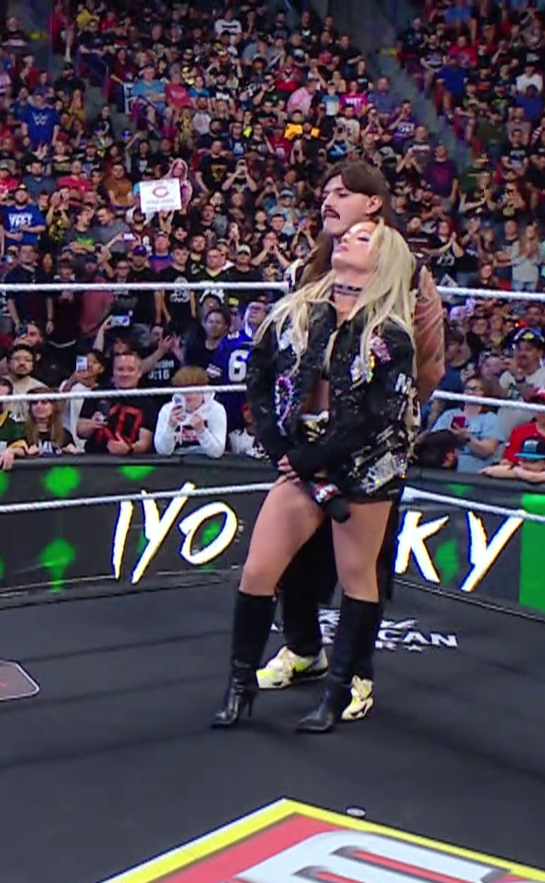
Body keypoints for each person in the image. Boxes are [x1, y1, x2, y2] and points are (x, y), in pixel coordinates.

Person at [258, 163, 448, 715]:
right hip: (309, 436)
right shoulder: (311, 268)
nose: (328, 201)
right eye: (325, 193)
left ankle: (357, 675)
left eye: (342, 193)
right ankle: (303, 648)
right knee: (295, 551)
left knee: (364, 563)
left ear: (373, 204)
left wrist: (386, 414)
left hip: (371, 443)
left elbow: (429, 363)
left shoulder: (408, 274)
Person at [219, 220, 418, 734]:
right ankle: (238, 686)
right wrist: (278, 442)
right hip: (301, 453)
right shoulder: (299, 312)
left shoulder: (391, 334)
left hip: (367, 462)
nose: (347, 238)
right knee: (258, 570)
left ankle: (339, 692)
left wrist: (316, 457)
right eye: (347, 235)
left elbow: (380, 414)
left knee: (357, 575)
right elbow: (259, 375)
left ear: (384, 259)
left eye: (364, 237)